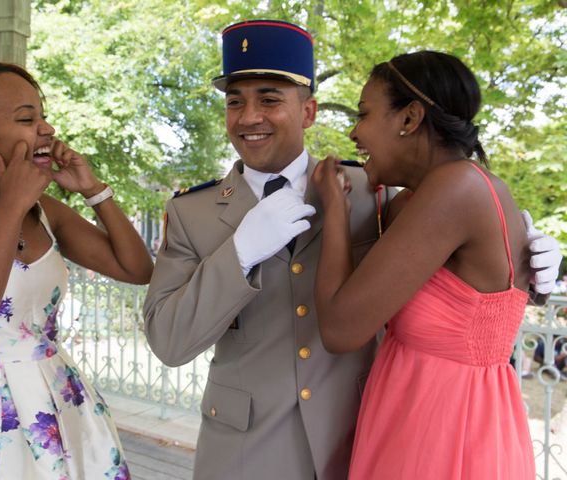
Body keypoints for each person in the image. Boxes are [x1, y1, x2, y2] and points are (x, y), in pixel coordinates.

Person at [143, 21, 561, 480]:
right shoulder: (191, 212)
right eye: (234, 102)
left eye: (269, 99)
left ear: (308, 111)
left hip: (365, 438)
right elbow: (168, 341)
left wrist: (532, 265)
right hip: (246, 455)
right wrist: (239, 252)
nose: (248, 117)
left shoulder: (374, 191)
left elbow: (459, 273)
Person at [312, 51, 538, 478]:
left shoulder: (456, 188)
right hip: (405, 411)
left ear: (410, 118)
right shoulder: (414, 201)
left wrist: (334, 212)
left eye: (364, 114)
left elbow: (341, 330)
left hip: (446, 430)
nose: (354, 131)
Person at [0, 62, 153, 478]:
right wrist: (10, 206)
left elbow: (137, 269)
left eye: (43, 116)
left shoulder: (45, 211)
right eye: (28, 119)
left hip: (57, 399)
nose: (46, 129)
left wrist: (93, 189)